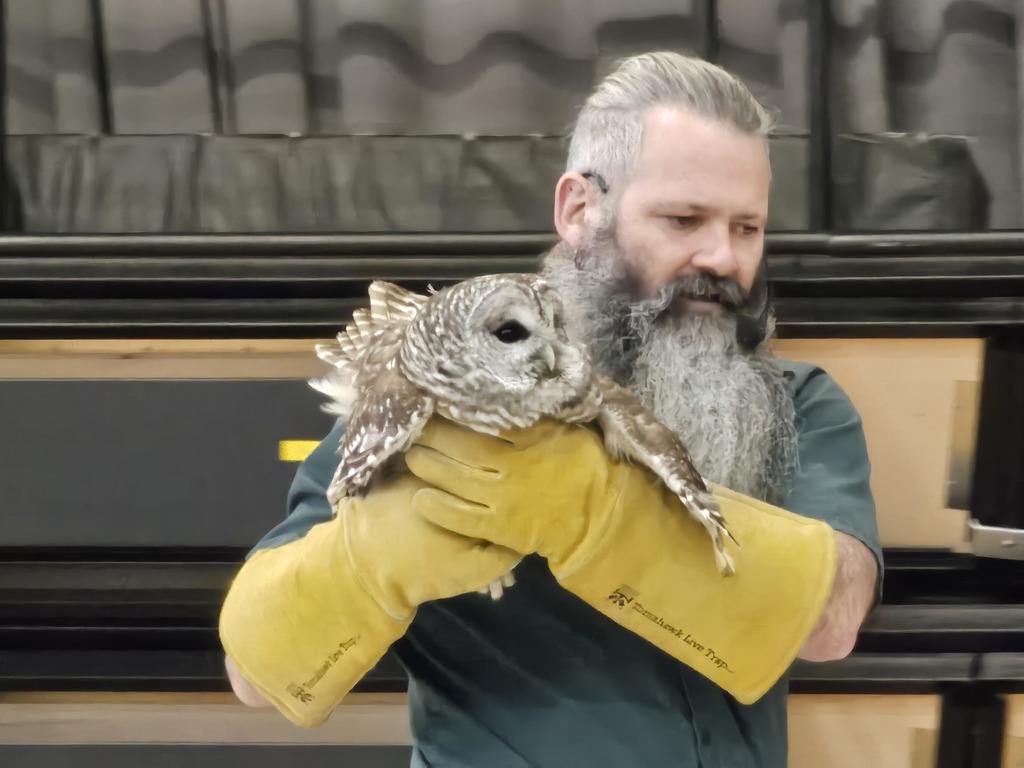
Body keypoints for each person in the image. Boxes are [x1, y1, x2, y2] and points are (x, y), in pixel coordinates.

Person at [218, 51, 883, 767]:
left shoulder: (796, 402)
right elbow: (256, 676)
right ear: (578, 209)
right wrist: (368, 558)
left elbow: (831, 623)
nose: (722, 257)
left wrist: (598, 510)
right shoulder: (433, 391)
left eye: (747, 228)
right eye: (685, 219)